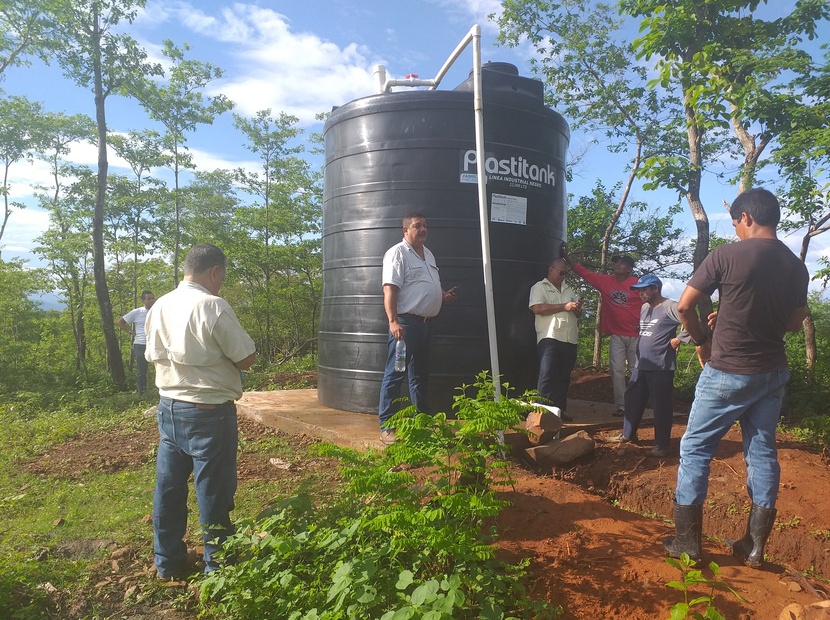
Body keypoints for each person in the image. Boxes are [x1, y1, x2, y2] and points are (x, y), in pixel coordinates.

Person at [663, 188, 809, 565]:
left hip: (728, 370)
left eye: (735, 223)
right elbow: (793, 324)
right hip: (772, 372)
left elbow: (683, 305)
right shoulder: (796, 266)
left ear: (746, 218)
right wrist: (728, 317)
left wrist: (700, 340)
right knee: (761, 453)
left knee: (695, 449)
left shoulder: (726, 255)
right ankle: (754, 546)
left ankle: (688, 544)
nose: (736, 230)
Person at [144, 243, 257, 579]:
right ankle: (218, 567)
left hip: (169, 410)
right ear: (214, 272)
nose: (221, 282)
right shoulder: (213, 306)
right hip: (208, 413)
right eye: (222, 275)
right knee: (213, 490)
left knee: (168, 487)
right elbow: (246, 358)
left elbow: (152, 355)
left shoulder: (160, 305)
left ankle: (167, 561)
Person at [378, 213, 456, 444]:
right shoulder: (398, 253)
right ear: (405, 230)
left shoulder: (428, 254)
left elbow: (424, 284)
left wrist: (442, 295)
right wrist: (393, 322)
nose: (423, 229)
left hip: (426, 326)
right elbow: (390, 289)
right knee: (395, 374)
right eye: (417, 226)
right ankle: (387, 425)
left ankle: (422, 420)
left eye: (425, 225)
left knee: (421, 376)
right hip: (406, 327)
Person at [608, 274, 691, 457]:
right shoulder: (645, 307)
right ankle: (628, 434)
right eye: (639, 290)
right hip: (641, 363)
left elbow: (692, 320)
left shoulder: (670, 306)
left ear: (655, 288)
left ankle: (662, 445)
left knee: (661, 405)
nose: (641, 293)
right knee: (632, 399)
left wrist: (679, 339)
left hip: (661, 366)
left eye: (645, 289)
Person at [562, 244, 640, 416]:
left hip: (636, 335)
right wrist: (567, 257)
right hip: (617, 335)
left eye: (622, 263)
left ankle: (636, 404)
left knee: (635, 371)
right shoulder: (606, 281)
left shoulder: (637, 284)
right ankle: (622, 406)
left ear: (629, 269)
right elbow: (584, 273)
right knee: (617, 370)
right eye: (616, 262)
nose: (617, 265)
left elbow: (651, 301)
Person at [529, 258, 583, 422]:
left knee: (564, 377)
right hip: (550, 337)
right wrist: (564, 306)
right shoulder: (539, 287)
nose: (563, 276)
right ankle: (541, 414)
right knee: (547, 375)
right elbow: (536, 308)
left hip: (570, 338)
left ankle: (559, 411)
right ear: (551, 270)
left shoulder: (569, 289)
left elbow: (578, 314)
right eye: (561, 273)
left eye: (566, 273)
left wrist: (576, 308)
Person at [118, 290, 156, 394]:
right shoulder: (137, 312)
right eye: (148, 299)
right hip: (140, 344)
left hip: (155, 344)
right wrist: (130, 331)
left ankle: (160, 392)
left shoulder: (158, 310)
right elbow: (121, 322)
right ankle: (141, 393)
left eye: (152, 298)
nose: (151, 300)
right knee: (141, 371)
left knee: (160, 368)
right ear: (143, 301)